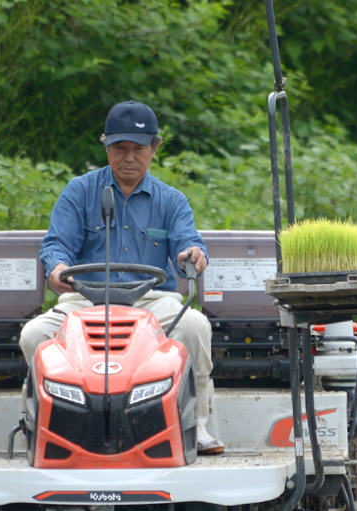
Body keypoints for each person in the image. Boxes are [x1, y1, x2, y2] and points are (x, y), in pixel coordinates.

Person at [21, 100, 224, 455]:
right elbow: (56, 244)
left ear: (155, 148)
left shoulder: (172, 201)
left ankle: (200, 423)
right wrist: (56, 269)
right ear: (105, 145)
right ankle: (46, 421)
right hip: (85, 299)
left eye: (138, 148)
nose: (129, 157)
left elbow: (189, 242)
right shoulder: (79, 191)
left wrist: (192, 254)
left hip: (151, 301)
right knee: (34, 335)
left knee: (195, 327)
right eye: (119, 148)